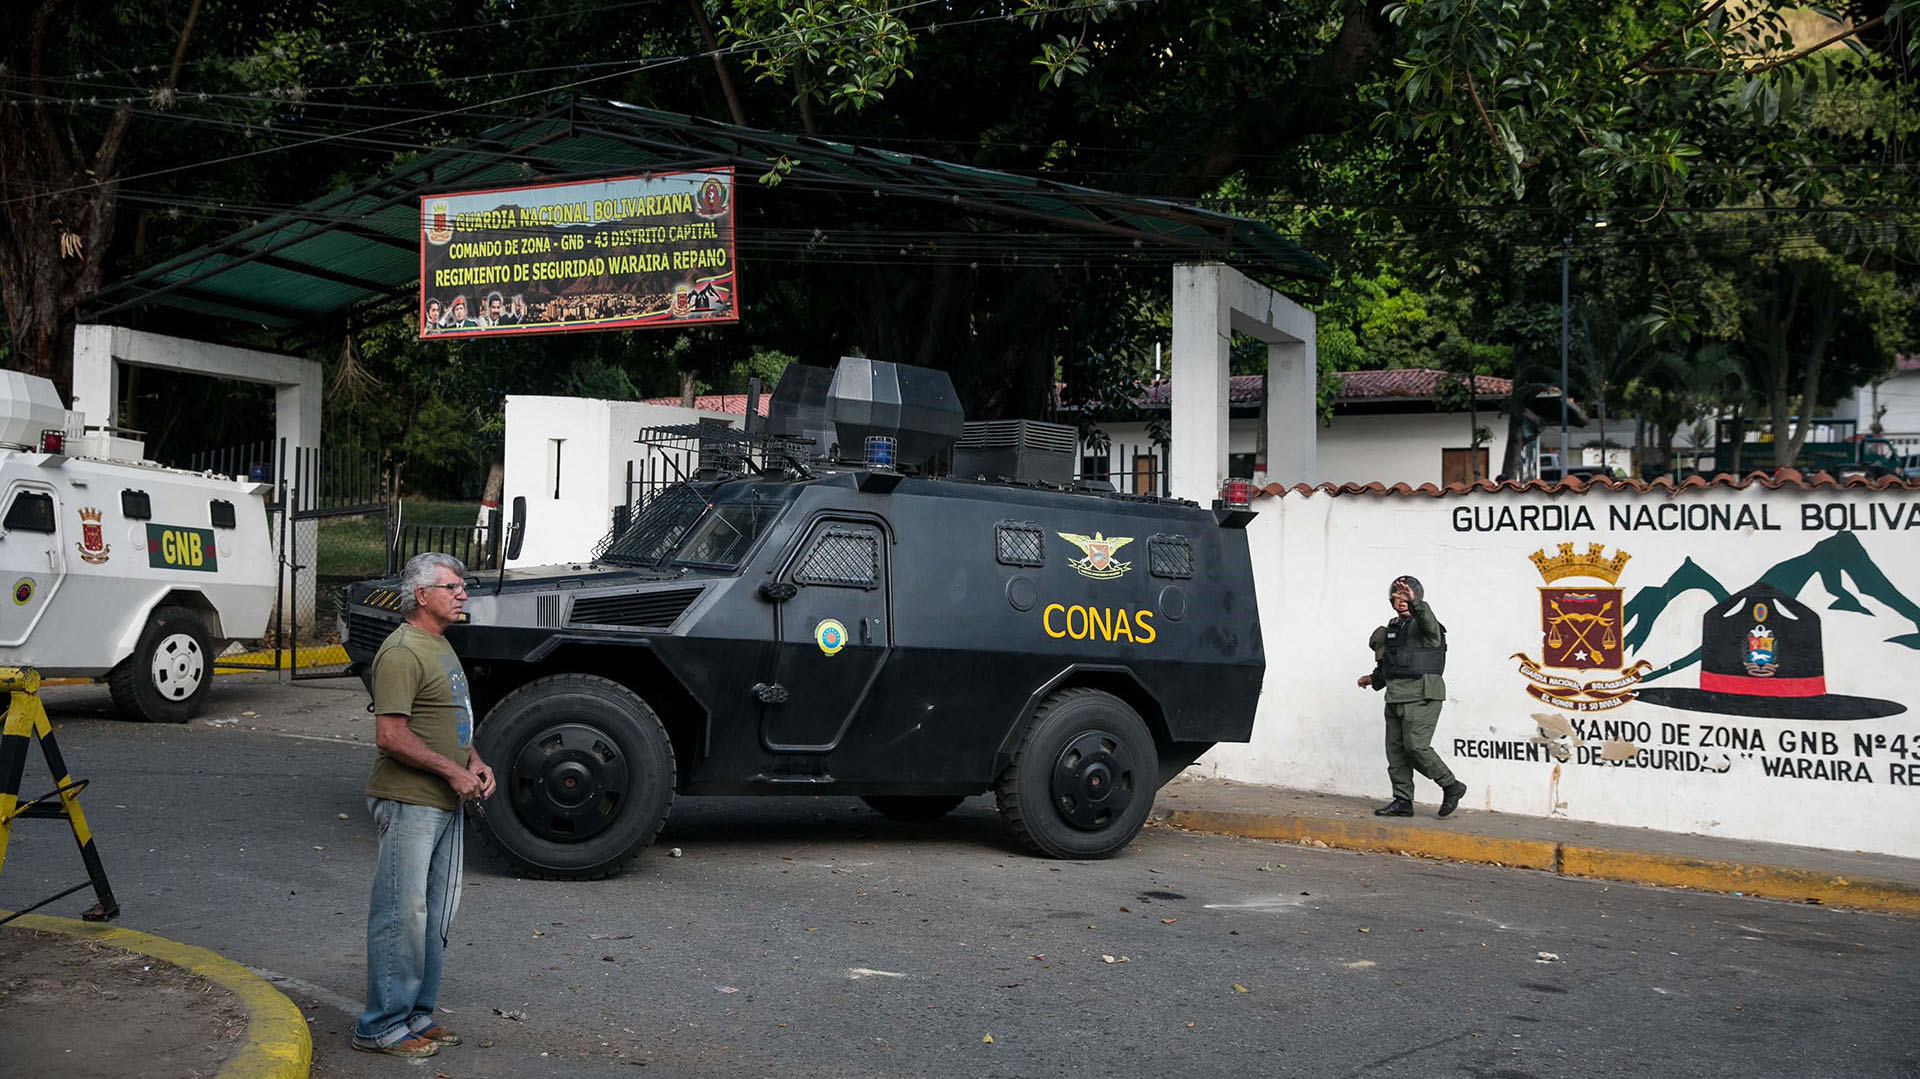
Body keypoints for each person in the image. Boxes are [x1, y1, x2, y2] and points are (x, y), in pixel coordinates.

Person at [351, 552, 495, 1058]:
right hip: (409, 800)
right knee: (401, 914)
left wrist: (474, 760)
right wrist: (453, 771)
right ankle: (380, 1026)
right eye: (453, 587)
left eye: (462, 586)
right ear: (421, 595)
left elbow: (450, 719)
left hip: (445, 800)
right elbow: (390, 736)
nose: (463, 594)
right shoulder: (402, 651)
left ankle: (416, 1014)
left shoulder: (439, 646)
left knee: (435, 914)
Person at [1356, 575, 1467, 819]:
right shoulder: (1392, 628)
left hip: (1422, 695)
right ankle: (1402, 800)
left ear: (1416, 597)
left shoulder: (1427, 625)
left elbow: (1427, 620)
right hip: (1395, 696)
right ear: (1391, 600)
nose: (1402, 600)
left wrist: (1416, 603)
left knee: (1416, 746)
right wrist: (1373, 680)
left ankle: (1451, 785)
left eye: (1407, 595)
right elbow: (1392, 662)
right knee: (1396, 752)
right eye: (1397, 596)